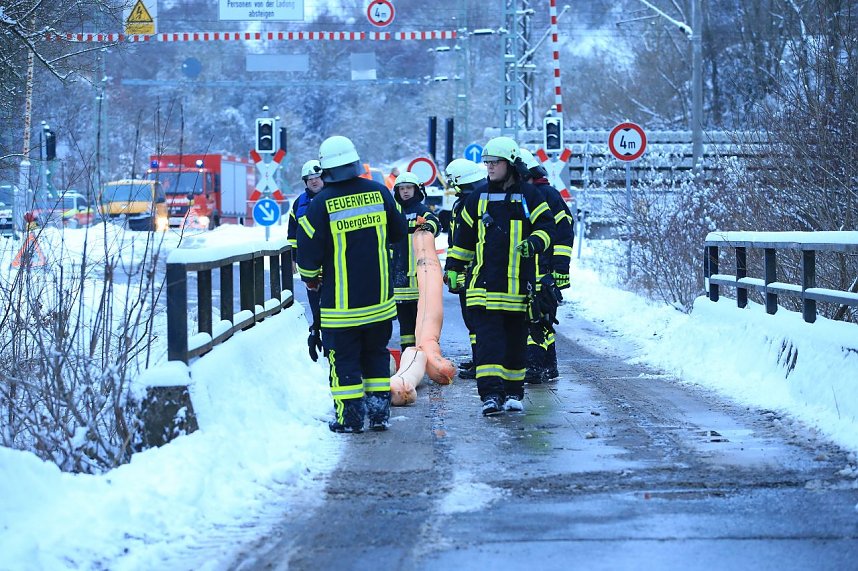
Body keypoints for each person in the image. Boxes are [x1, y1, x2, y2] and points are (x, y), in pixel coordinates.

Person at [296, 136, 408, 433]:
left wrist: (312, 278)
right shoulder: (380, 192)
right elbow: (399, 232)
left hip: (341, 308)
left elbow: (307, 257)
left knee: (344, 361)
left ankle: (351, 419)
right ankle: (379, 415)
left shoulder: (320, 205)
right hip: (380, 303)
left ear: (326, 169)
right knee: (376, 356)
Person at [444, 137, 555, 416]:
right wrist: (454, 268)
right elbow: (463, 240)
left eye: (495, 162)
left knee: (516, 345)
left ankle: (513, 394)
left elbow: (547, 227)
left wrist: (535, 242)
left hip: (518, 289)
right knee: (488, 345)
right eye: (487, 163)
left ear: (511, 164)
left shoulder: (530, 196)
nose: (490, 167)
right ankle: (491, 395)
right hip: (483, 288)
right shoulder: (477, 198)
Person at [518, 148, 574, 383]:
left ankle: (534, 367)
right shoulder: (521, 194)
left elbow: (564, 232)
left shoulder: (546, 195)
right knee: (542, 318)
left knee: (537, 319)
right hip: (528, 270)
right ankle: (549, 366)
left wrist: (559, 269)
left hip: (544, 270)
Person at [442, 158, 487, 380]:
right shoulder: (466, 202)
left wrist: (454, 269)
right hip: (466, 268)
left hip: (472, 270)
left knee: (476, 318)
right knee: (471, 318)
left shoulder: (471, 203)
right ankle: (478, 358)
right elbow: (455, 239)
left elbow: (463, 242)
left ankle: (482, 361)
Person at [390, 171, 441, 351]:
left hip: (420, 278)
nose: (405, 192)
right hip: (399, 277)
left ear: (416, 190)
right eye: (402, 188)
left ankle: (425, 353)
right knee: (405, 324)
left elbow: (435, 223)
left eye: (408, 188)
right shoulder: (394, 212)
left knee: (423, 321)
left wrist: (427, 226)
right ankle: (408, 354)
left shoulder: (421, 210)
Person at [287, 159, 326, 362]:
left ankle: (331, 343)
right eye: (310, 179)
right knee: (316, 307)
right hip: (310, 268)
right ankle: (318, 332)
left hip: (333, 266)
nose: (314, 181)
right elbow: (293, 235)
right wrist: (294, 259)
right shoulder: (299, 204)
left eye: (317, 177)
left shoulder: (333, 197)